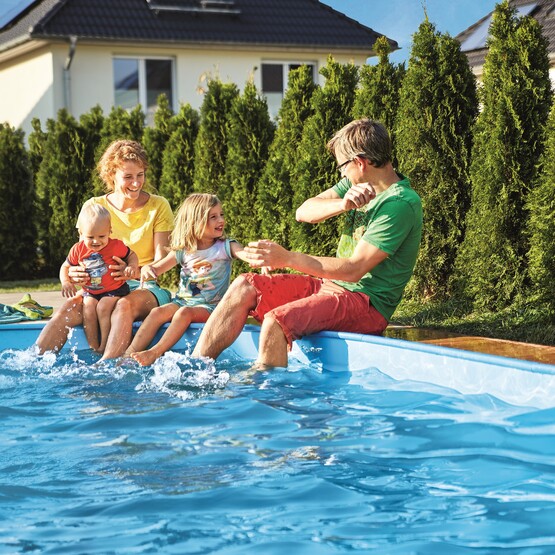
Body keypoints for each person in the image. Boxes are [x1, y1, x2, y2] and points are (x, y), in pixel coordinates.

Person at [192, 118, 423, 368]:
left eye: (342, 166)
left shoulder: (399, 204)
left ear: (360, 163)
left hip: (366, 304)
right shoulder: (355, 183)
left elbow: (354, 270)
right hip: (331, 287)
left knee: (276, 322)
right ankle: (196, 369)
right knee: (244, 286)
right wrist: (343, 204)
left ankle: (266, 402)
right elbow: (303, 211)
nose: (342, 173)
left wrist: (287, 258)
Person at [36, 139, 174, 360]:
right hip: (99, 288)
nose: (136, 183)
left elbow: (162, 261)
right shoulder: (94, 207)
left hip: (143, 286)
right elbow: (80, 253)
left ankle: (107, 368)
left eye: (140, 175)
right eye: (128, 177)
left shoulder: (158, 206)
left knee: (124, 305)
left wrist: (133, 271)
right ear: (112, 175)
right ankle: (33, 363)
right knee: (69, 307)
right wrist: (73, 273)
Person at [125, 193, 252, 366]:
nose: (221, 220)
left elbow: (246, 255)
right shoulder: (184, 250)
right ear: (195, 222)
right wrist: (148, 268)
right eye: (213, 217)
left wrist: (261, 260)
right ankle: (128, 354)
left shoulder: (225, 246)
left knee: (184, 314)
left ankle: (154, 352)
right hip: (182, 301)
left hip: (211, 307)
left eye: (221, 215)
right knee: (157, 312)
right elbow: (158, 268)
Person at [60, 204, 139, 353]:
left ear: (109, 231)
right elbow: (65, 266)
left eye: (102, 236)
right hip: (90, 291)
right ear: (81, 233)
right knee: (88, 309)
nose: (96, 241)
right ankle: (93, 346)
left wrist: (132, 266)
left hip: (115, 289)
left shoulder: (116, 246)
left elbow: (131, 255)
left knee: (103, 307)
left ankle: (105, 344)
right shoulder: (78, 249)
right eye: (90, 237)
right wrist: (66, 281)